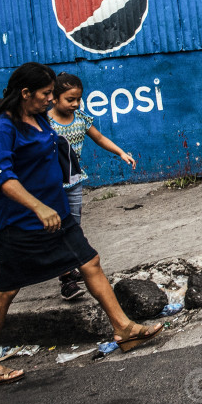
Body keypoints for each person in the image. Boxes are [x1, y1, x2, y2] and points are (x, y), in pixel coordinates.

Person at [0, 63, 162, 389]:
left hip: (57, 217)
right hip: (20, 224)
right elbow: (3, 179)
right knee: (6, 291)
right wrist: (38, 206)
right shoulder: (1, 129)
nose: (50, 99)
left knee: (90, 262)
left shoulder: (40, 118)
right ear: (25, 93)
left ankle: (124, 329)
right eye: (46, 93)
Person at [48, 73, 136, 301]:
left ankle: (70, 266)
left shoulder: (81, 119)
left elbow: (98, 137)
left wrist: (120, 153)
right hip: (51, 186)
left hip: (74, 182)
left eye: (78, 99)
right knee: (59, 229)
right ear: (54, 99)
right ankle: (66, 278)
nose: (75, 104)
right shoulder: (45, 123)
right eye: (70, 99)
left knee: (73, 226)